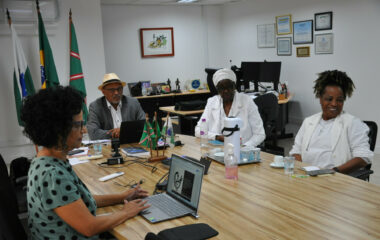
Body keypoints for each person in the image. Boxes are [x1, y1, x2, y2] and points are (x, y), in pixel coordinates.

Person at [21, 86, 150, 239]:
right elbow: (89, 227)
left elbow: (79, 200)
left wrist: (123, 196)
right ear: (58, 129)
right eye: (78, 125)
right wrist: (125, 212)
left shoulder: (48, 159)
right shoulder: (52, 175)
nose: (83, 131)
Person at [289, 70, 373, 173]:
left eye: (339, 100)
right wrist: (303, 170)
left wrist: (333, 171)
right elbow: (296, 151)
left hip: (336, 178)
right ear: (320, 98)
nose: (334, 104)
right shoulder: (309, 122)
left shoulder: (353, 123)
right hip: (306, 176)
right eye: (329, 99)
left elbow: (363, 157)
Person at [195, 68, 265, 147]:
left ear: (234, 86)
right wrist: (218, 137)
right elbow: (198, 131)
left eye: (229, 87)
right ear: (217, 89)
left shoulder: (247, 101)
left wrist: (244, 147)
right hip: (217, 150)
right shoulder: (212, 102)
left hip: (243, 150)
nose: (225, 91)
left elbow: (260, 134)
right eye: (222, 88)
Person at [87, 73, 145, 140]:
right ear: (103, 92)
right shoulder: (95, 106)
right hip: (109, 146)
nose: (116, 93)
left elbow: (144, 126)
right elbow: (93, 133)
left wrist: (123, 131)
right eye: (112, 90)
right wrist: (114, 133)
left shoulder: (133, 103)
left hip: (131, 144)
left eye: (119, 89)